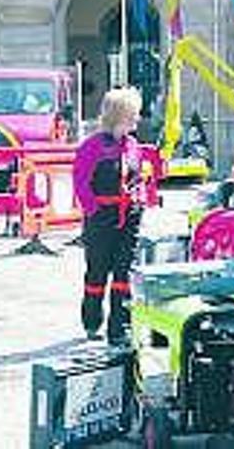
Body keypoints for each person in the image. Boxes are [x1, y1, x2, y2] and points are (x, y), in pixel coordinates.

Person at [73, 87, 145, 344]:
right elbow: (80, 183)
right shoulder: (91, 147)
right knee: (97, 273)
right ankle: (92, 322)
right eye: (133, 115)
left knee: (124, 274)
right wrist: (94, 210)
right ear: (119, 115)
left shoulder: (134, 146)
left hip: (129, 218)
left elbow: (139, 178)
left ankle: (119, 328)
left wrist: (140, 202)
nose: (137, 119)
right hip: (101, 219)